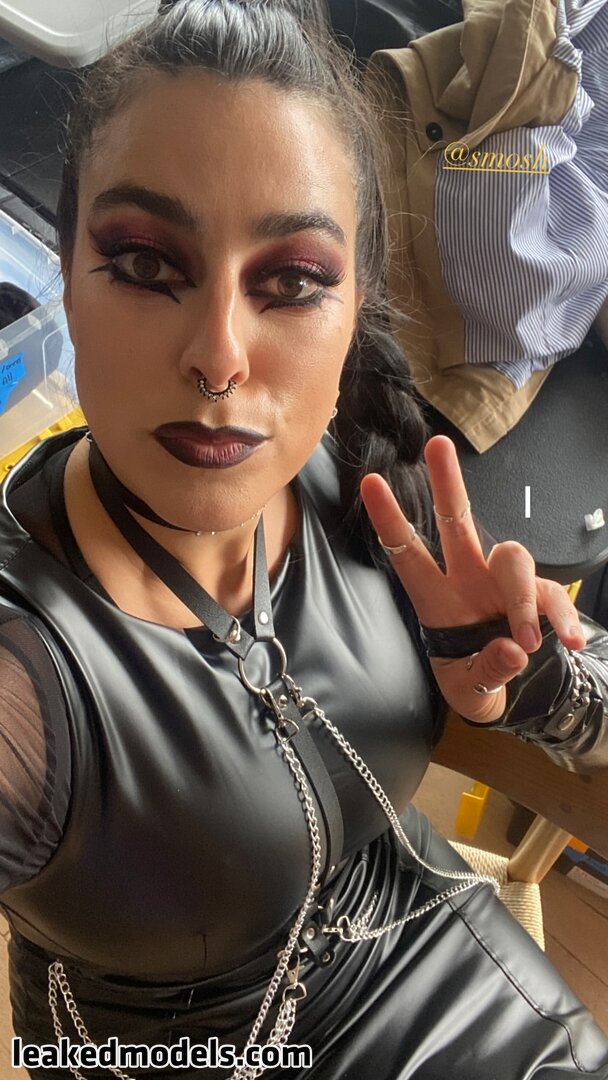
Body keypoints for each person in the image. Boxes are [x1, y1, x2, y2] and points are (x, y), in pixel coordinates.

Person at [0, 2, 607, 1078]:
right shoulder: (24, 676)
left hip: (467, 979)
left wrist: (520, 682)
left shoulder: (361, 471)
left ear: (353, 304)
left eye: (290, 282)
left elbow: (587, 714)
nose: (219, 357)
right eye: (144, 263)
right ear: (70, 286)